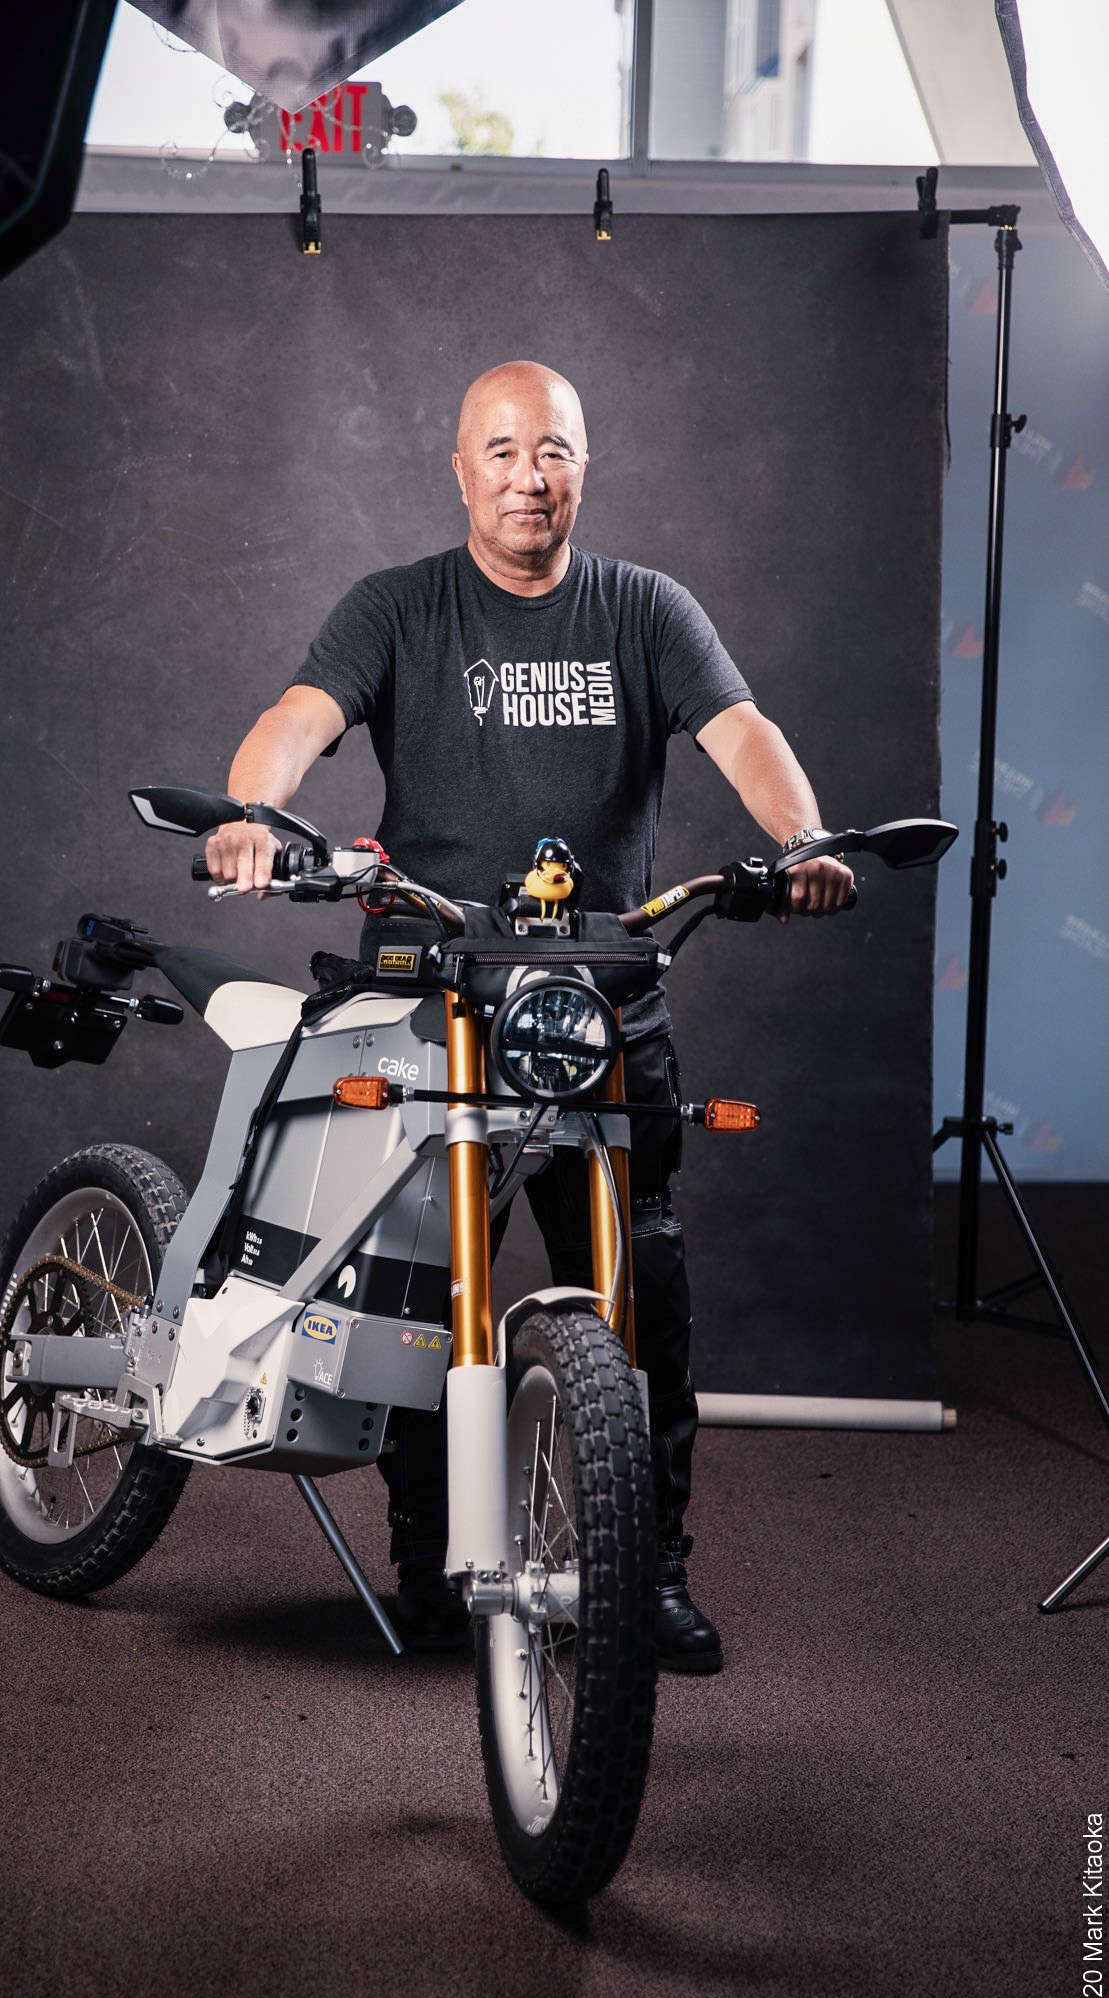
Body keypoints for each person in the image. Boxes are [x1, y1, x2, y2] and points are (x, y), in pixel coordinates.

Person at [205, 360, 854, 1665]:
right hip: (433, 999)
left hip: (598, 1000)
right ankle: (432, 1566)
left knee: (642, 1288)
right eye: (500, 452)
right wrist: (252, 813)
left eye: (551, 450)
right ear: (461, 471)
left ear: (582, 466)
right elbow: (296, 716)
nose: (527, 477)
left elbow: (741, 731)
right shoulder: (398, 607)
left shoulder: (645, 610)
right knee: (419, 1299)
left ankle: (646, 1572)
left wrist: (803, 839)